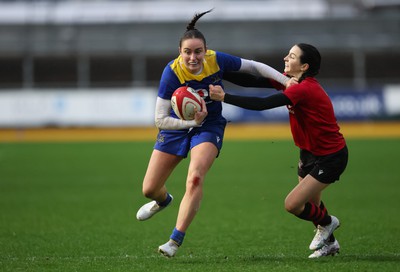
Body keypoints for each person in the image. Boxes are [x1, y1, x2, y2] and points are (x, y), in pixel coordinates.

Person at [135, 9, 292, 258]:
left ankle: (174, 240)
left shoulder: (216, 60)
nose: (193, 57)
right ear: (180, 52)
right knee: (150, 189)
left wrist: (286, 81)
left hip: (209, 126)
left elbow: (254, 67)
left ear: (206, 50)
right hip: (178, 127)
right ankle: (163, 201)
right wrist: (190, 123)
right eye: (187, 52)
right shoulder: (172, 72)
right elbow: (159, 119)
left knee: (195, 177)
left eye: (198, 51)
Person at [209, 43, 348, 258]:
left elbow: (262, 104)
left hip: (331, 156)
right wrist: (216, 71)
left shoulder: (304, 88)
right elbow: (253, 81)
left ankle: (330, 223)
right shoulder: (290, 81)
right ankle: (330, 244)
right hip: (309, 152)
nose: (285, 58)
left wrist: (225, 97)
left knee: (293, 204)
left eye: (292, 56)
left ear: (304, 66)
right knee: (314, 204)